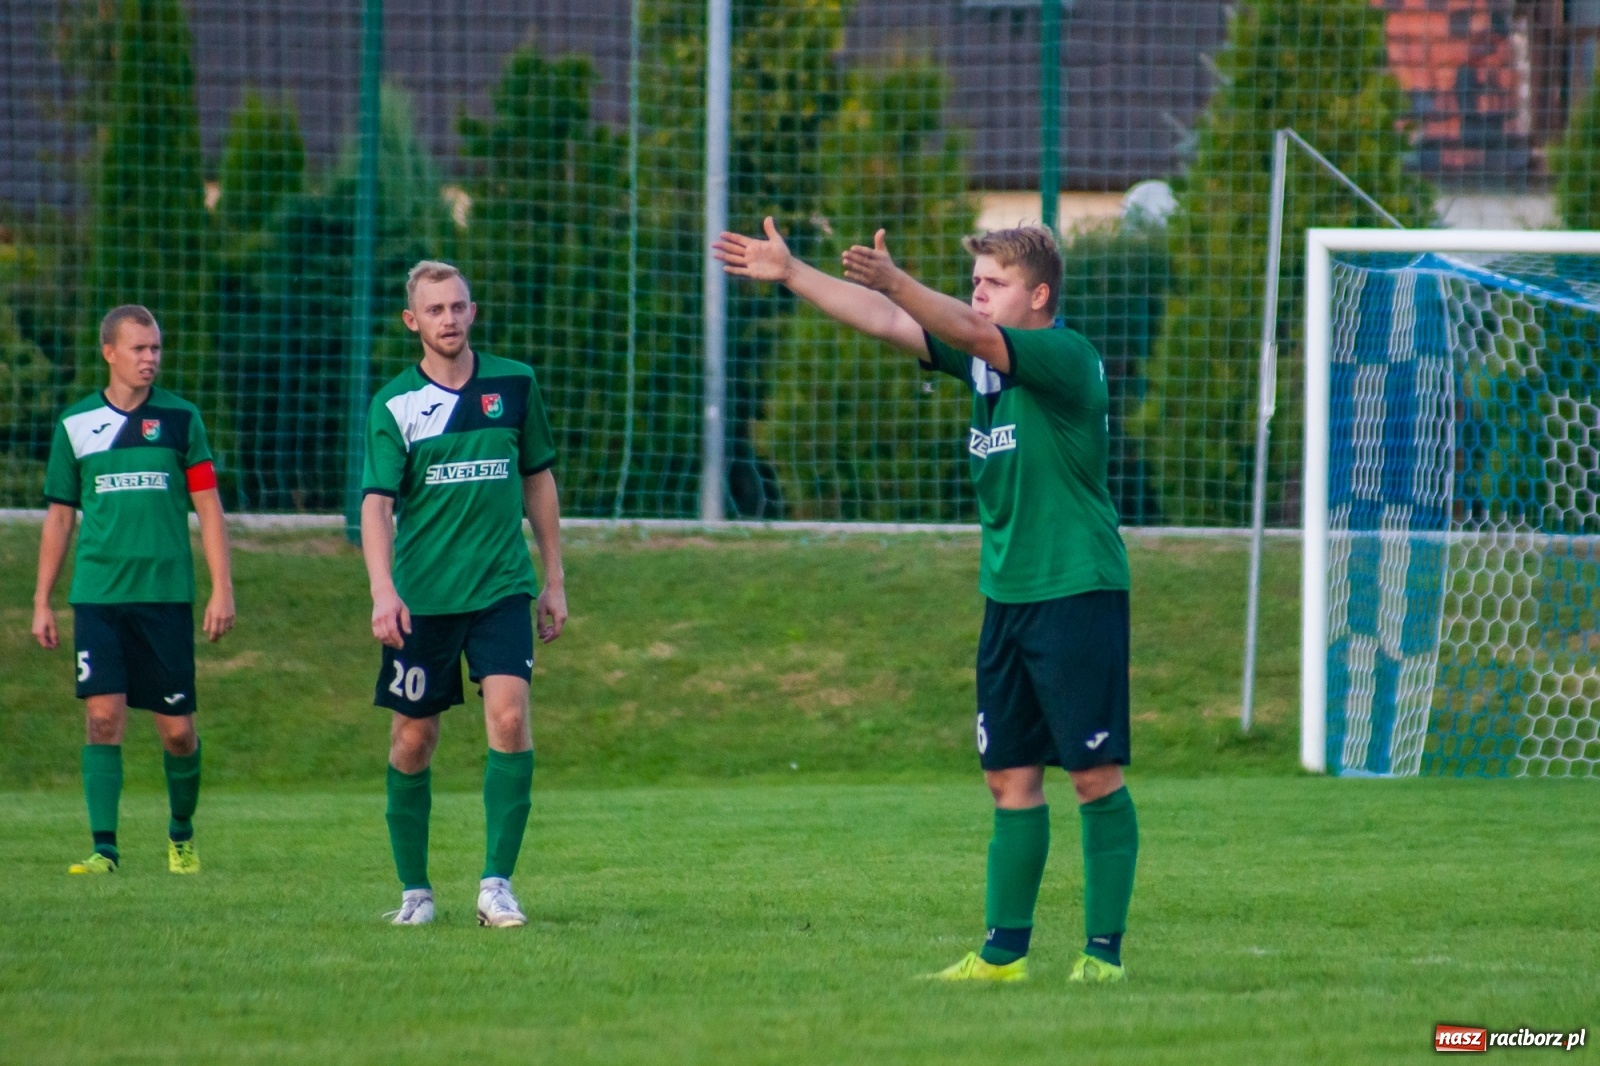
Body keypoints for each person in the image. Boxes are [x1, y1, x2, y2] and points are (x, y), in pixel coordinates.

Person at [715, 221, 1139, 983]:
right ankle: (1003, 955)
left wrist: (898, 278)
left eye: (995, 282)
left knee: (1093, 776)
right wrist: (793, 272)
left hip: (1077, 589)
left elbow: (959, 327)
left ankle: (1102, 957)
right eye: (974, 281)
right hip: (1007, 597)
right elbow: (888, 320)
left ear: (1039, 296)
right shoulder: (983, 363)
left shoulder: (1066, 356)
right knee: (1009, 778)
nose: (978, 293)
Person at [361, 260, 567, 928]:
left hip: (501, 588)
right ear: (411, 321)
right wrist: (383, 591)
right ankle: (415, 894)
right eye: (435, 310)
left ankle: (496, 886)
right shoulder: (394, 405)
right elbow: (376, 504)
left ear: (472, 311)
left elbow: (537, 480)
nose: (448, 319)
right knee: (412, 740)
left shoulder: (514, 384)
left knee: (509, 718)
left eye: (458, 307)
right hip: (422, 599)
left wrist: (554, 579)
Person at [33, 303, 235, 876]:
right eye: (139, 348)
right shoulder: (75, 425)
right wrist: (42, 600)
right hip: (98, 596)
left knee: (178, 732)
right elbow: (60, 518)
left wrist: (222, 587)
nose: (150, 358)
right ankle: (105, 849)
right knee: (102, 718)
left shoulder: (181, 419)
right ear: (109, 353)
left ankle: (181, 835)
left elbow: (208, 507)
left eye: (156, 348)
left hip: (165, 596)